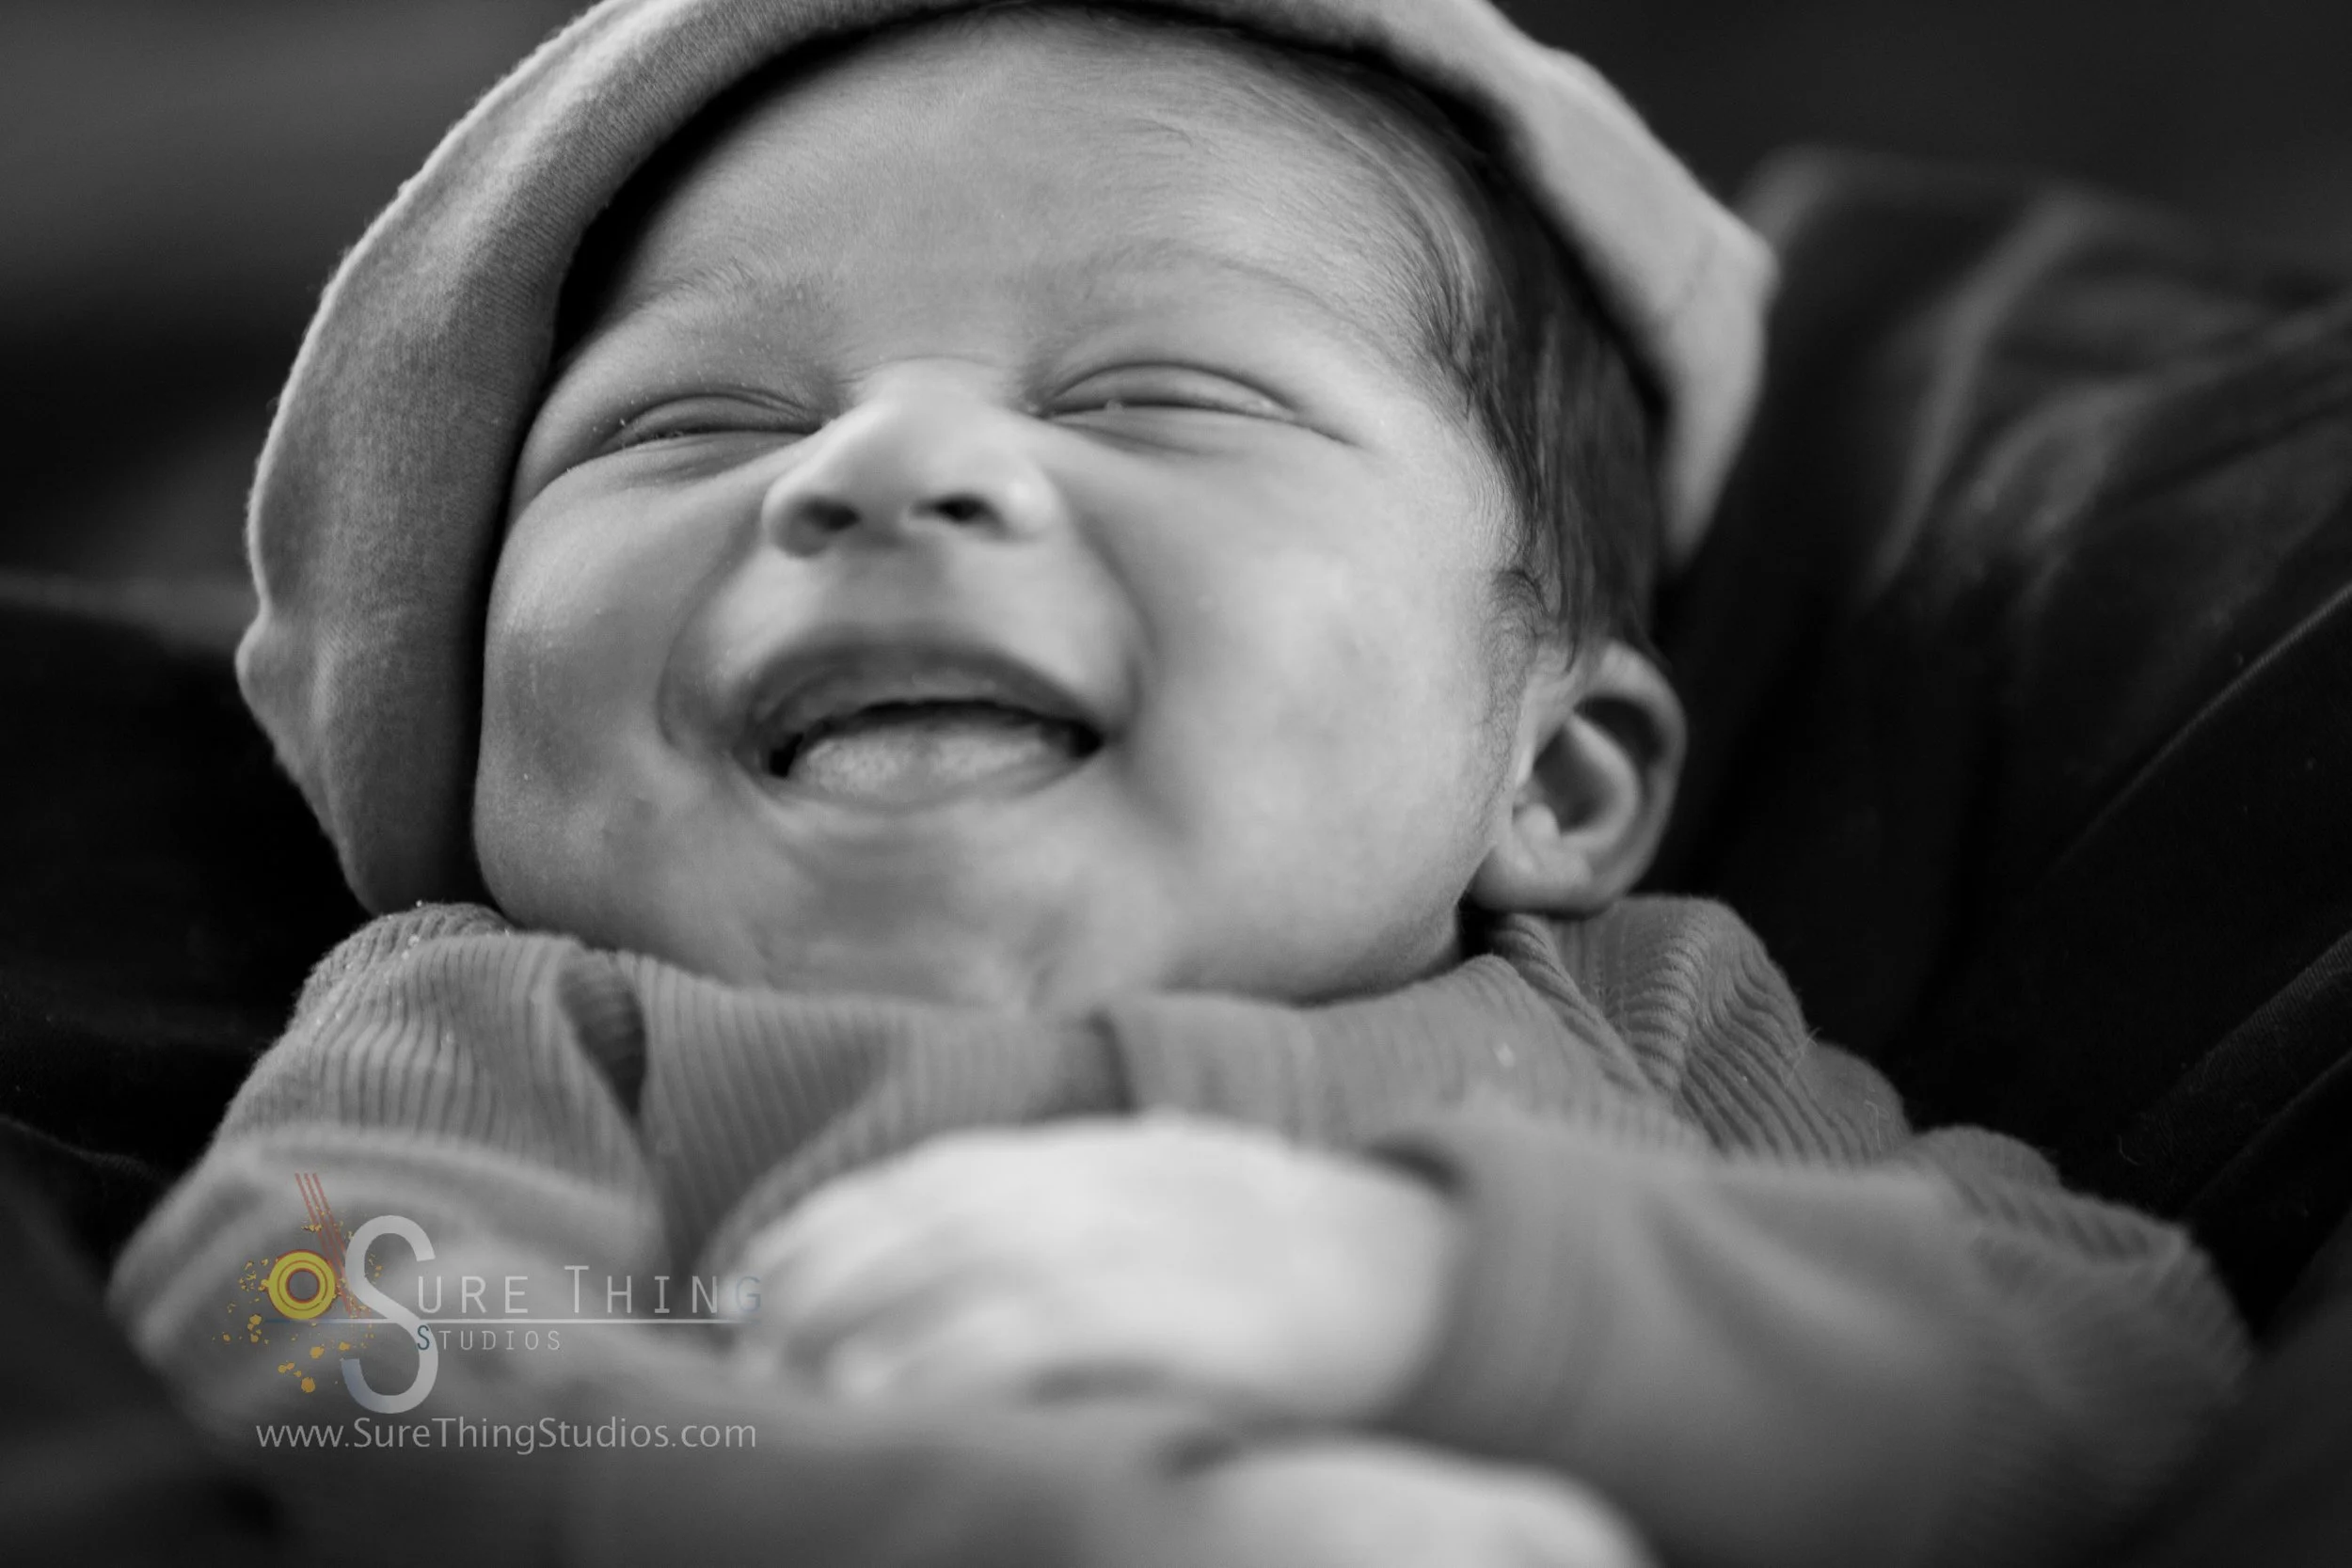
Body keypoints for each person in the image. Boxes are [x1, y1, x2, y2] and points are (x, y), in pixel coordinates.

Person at [108, 3, 2246, 1564]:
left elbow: (2094, 1357)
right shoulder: (512, 1019)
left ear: (1559, 777)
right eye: (691, 424)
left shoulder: (1647, 1021)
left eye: (1157, 389)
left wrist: (1426, 1291)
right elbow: (338, 1337)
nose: (880, 464)